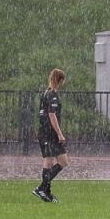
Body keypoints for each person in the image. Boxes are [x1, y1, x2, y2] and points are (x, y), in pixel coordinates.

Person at [33, 68, 69, 203]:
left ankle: (45, 191)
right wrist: (60, 134)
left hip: (44, 132)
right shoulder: (52, 95)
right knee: (62, 162)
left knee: (49, 161)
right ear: (59, 80)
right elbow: (52, 115)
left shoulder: (45, 93)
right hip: (49, 133)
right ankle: (42, 188)